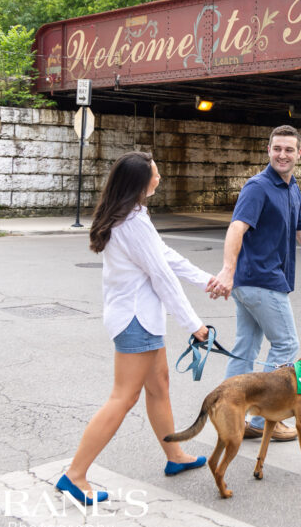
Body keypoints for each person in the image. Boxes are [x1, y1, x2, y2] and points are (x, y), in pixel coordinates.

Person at [57, 151, 212, 506]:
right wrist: (194, 324)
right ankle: (74, 475)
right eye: (155, 174)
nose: (159, 179)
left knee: (159, 387)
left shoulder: (132, 215)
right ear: (140, 183)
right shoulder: (132, 221)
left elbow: (164, 257)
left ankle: (174, 457)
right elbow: (161, 276)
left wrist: (206, 280)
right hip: (135, 321)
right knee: (123, 398)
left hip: (139, 319)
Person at [207, 125, 301, 441]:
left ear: (299, 153)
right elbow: (236, 228)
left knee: (246, 347)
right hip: (260, 280)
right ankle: (261, 421)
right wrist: (227, 270)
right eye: (277, 149)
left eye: (288, 149)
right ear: (268, 150)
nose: (282, 154)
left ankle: (231, 415)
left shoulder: (291, 187)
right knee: (286, 344)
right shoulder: (258, 187)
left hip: (253, 283)